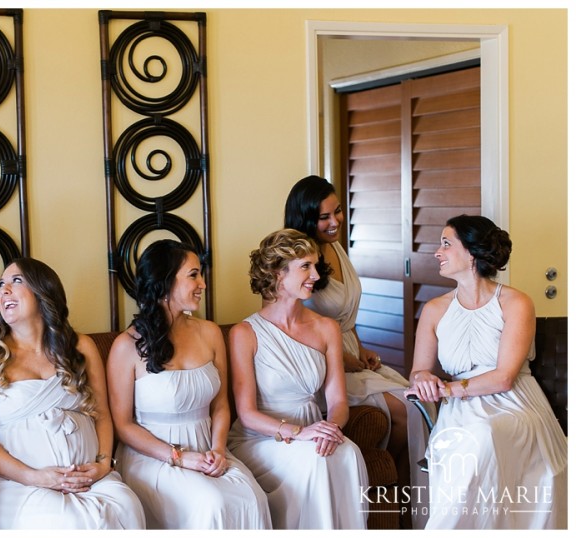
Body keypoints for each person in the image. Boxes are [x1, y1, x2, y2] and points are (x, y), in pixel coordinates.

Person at [284, 174, 434, 527]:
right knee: (405, 409)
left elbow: (345, 316)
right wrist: (344, 359)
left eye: (337, 211)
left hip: (353, 351)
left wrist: (362, 349)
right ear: (305, 217)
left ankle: (398, 488)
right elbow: (298, 327)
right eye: (324, 217)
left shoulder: (335, 247)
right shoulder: (301, 261)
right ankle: (392, 482)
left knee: (420, 401)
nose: (334, 221)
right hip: (326, 362)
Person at [405, 215, 567, 529]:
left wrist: (447, 389)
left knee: (484, 434)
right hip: (462, 409)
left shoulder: (516, 303)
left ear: (472, 253)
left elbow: (505, 376)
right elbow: (418, 371)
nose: (438, 252)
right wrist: (423, 378)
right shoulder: (434, 310)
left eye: (447, 244)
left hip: (514, 402)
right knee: (472, 437)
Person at [0, 257, 145, 529]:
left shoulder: (80, 346)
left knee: (128, 507)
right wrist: (35, 477)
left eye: (16, 281)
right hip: (18, 482)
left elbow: (102, 415)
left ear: (43, 291)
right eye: (1, 284)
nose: (4, 290)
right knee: (67, 523)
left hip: (89, 479)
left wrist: (103, 465)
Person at [106, 239, 271, 530]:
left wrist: (218, 449)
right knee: (211, 504)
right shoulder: (126, 346)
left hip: (208, 446)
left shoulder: (210, 333)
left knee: (251, 497)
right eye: (193, 274)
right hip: (152, 455)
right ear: (165, 282)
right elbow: (123, 425)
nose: (203, 284)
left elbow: (220, 406)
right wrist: (179, 457)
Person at [227, 228, 369, 529]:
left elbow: (338, 401)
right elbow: (247, 414)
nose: (316, 275)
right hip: (263, 437)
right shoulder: (245, 334)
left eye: (315, 266)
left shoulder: (327, 328)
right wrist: (298, 433)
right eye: (306, 266)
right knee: (314, 461)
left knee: (349, 453)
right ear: (278, 273)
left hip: (316, 430)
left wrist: (329, 429)